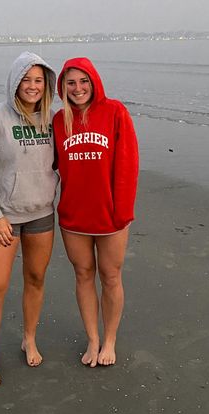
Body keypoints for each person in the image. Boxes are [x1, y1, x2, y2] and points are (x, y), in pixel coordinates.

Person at [0, 52, 58, 386]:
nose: (32, 86)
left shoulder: (52, 119)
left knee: (35, 279)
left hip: (42, 215)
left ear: (45, 84)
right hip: (4, 218)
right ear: (15, 81)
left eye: (38, 80)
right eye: (26, 79)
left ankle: (28, 338)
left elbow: (68, 163)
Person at [53, 57, 139, 367]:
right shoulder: (58, 120)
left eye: (84, 81)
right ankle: (92, 339)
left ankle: (110, 339)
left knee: (111, 276)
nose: (78, 88)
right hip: (74, 216)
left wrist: (122, 212)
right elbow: (47, 167)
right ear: (63, 86)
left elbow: (128, 164)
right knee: (83, 274)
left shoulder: (115, 111)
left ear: (94, 82)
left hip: (111, 216)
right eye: (71, 82)